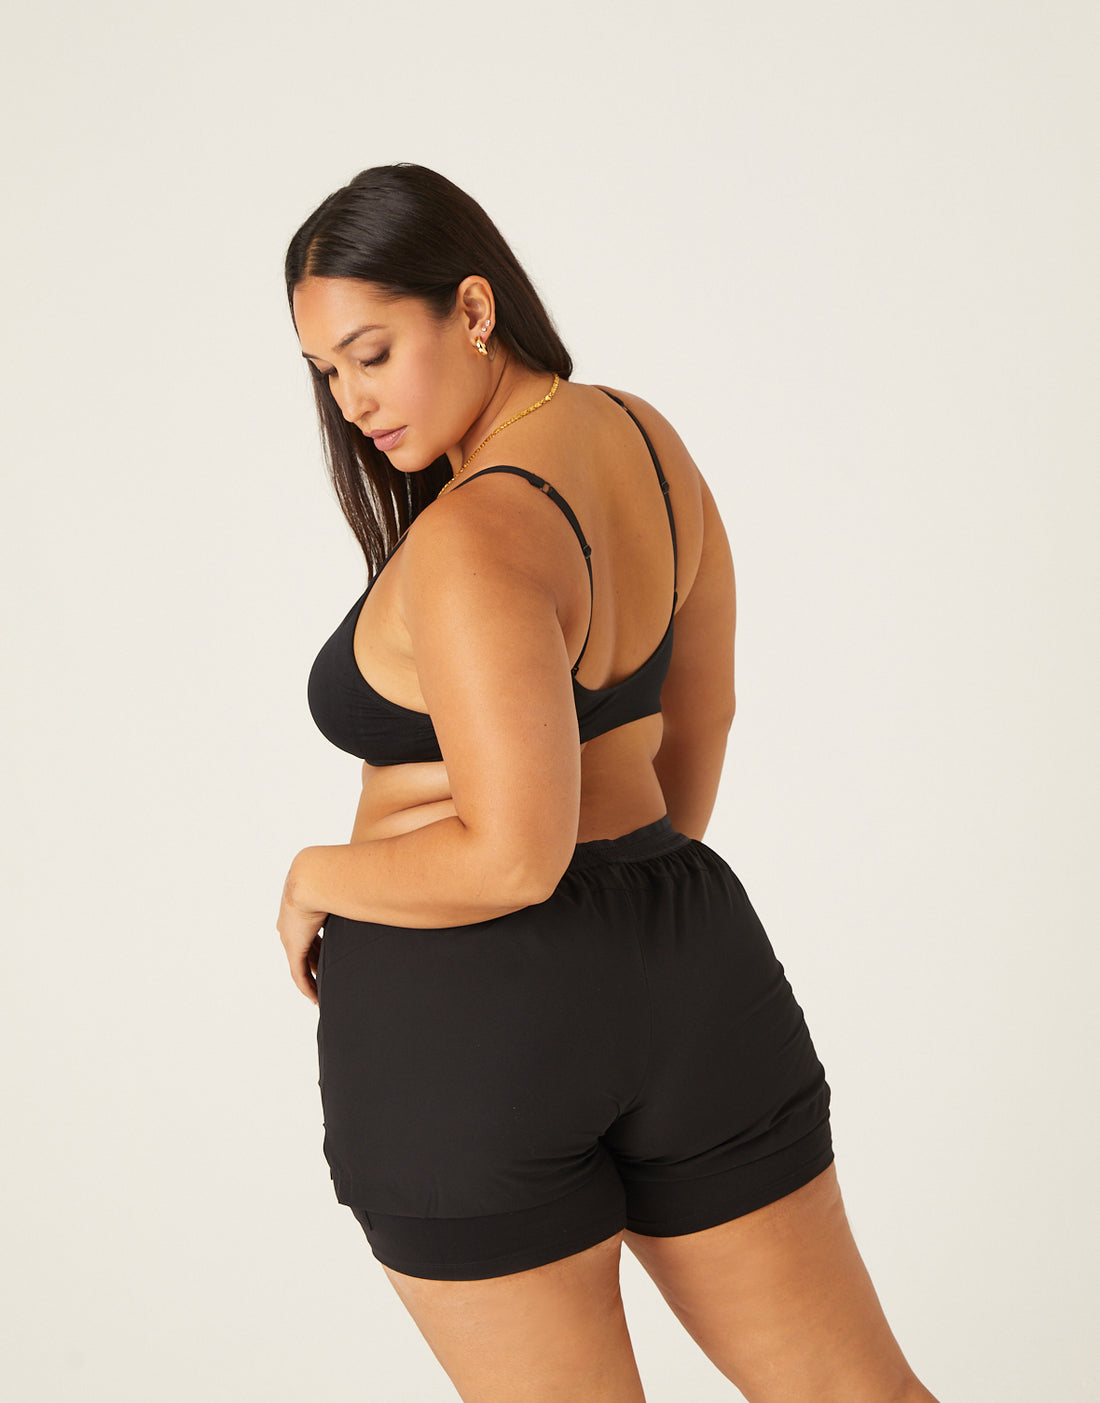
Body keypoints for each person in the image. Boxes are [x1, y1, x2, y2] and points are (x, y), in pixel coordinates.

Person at [277, 164, 938, 1403]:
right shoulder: (643, 437)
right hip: (687, 954)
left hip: (470, 1014)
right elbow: (702, 714)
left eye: (371, 353)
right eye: (325, 371)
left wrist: (316, 874)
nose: (351, 400)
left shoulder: (474, 532)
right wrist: (623, 925)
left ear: (473, 308)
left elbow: (512, 857)